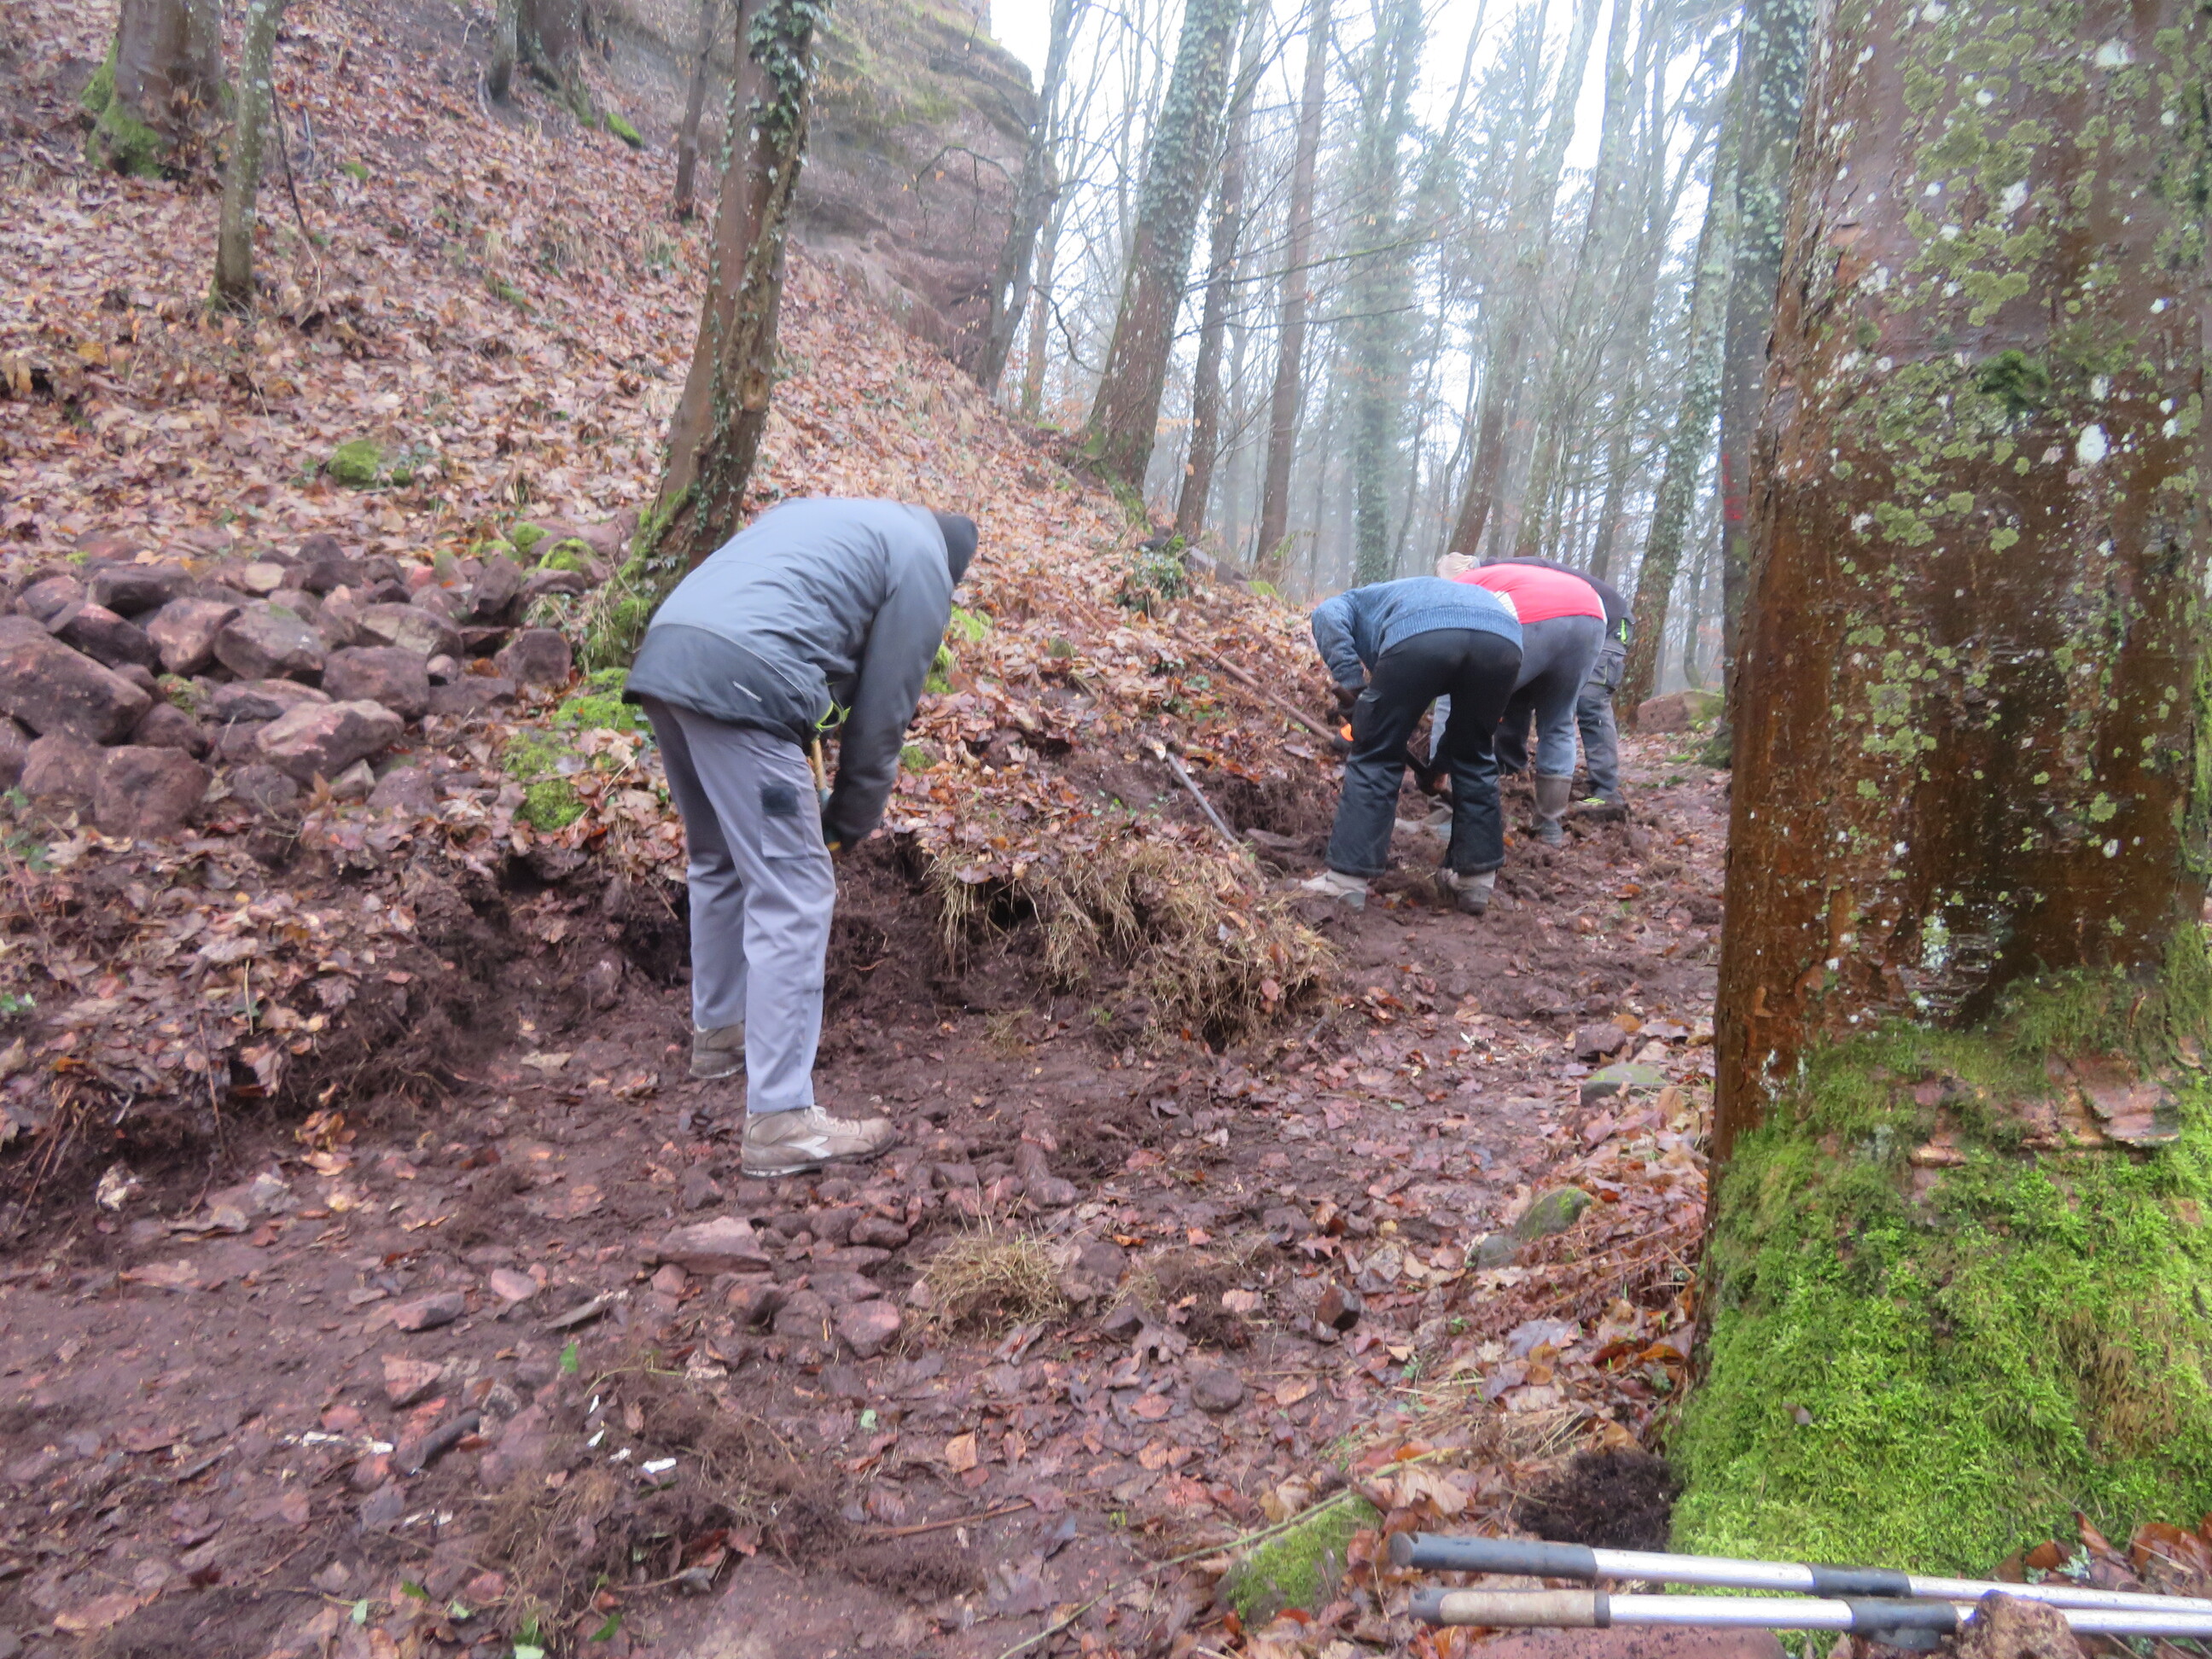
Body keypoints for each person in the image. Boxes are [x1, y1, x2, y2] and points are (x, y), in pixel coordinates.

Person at [624, 498, 978, 1177]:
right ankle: (781, 1117)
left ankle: (722, 1032)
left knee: (719, 859)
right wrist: (845, 822)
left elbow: (813, 648)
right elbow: (882, 715)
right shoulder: (925, 564)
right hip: (743, 678)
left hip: (670, 650)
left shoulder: (846, 522)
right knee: (795, 890)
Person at [1305, 576, 1523, 914]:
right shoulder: (1407, 595)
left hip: (1423, 633)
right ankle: (1475, 881)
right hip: (1503, 638)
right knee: (1475, 752)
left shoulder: (1351, 601)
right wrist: (1440, 766)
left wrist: (1353, 687)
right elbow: (1462, 731)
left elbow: (1325, 615)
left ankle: (1345, 882)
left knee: (1376, 753)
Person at [1428, 559, 1605, 845]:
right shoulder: (1504, 576)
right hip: (1591, 611)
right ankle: (1549, 825)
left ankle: (1444, 815)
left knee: (1453, 699)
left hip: (1538, 616)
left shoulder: (1458, 587)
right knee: (1559, 721)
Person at [1481, 560, 1631, 806]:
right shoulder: (1496, 583)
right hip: (1561, 622)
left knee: (1589, 700)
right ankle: (1510, 773)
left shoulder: (1506, 577)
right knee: (1517, 687)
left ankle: (1606, 793)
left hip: (1609, 624)